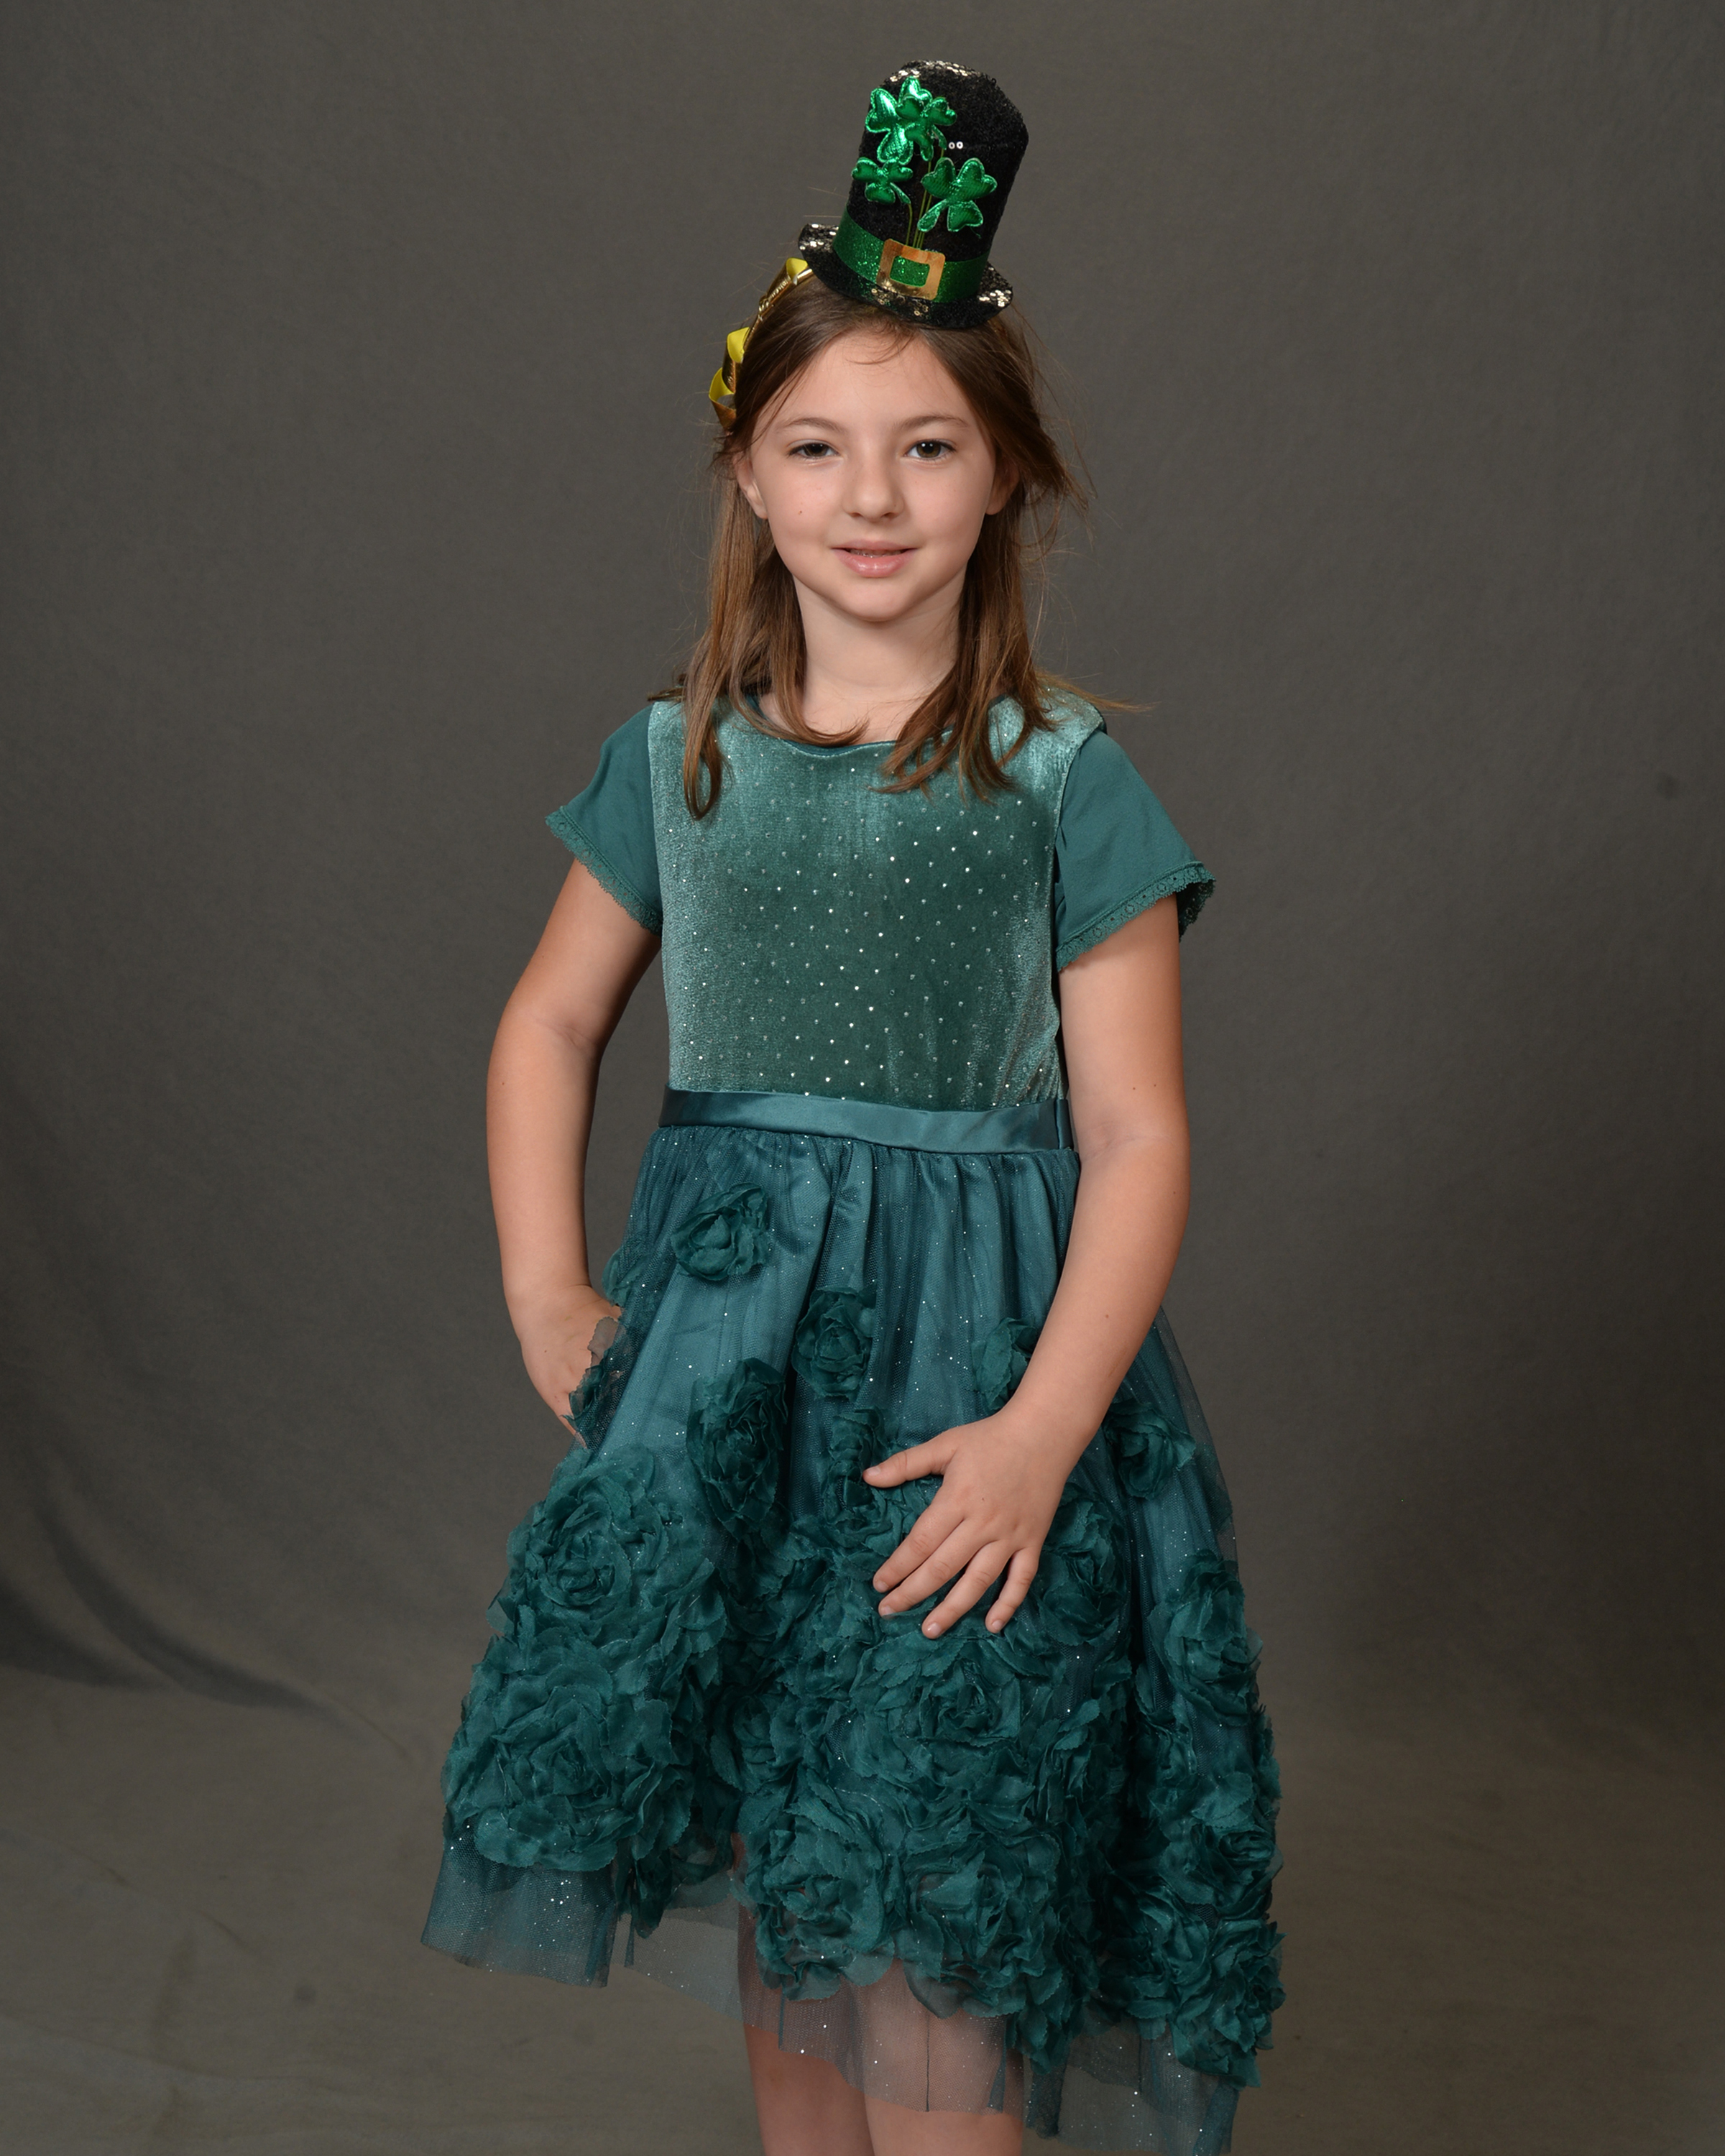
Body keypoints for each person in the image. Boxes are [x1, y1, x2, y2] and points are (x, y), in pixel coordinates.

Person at [423, 60, 1282, 2156]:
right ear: (748, 473)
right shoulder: (677, 761)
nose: (871, 496)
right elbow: (548, 1027)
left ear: (1007, 481)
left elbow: (1141, 1140)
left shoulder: (1064, 784)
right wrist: (547, 1292)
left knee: (939, 1898)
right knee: (792, 1902)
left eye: (927, 448)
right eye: (817, 445)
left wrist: (1046, 1435)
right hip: (733, 1399)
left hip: (971, 1407)